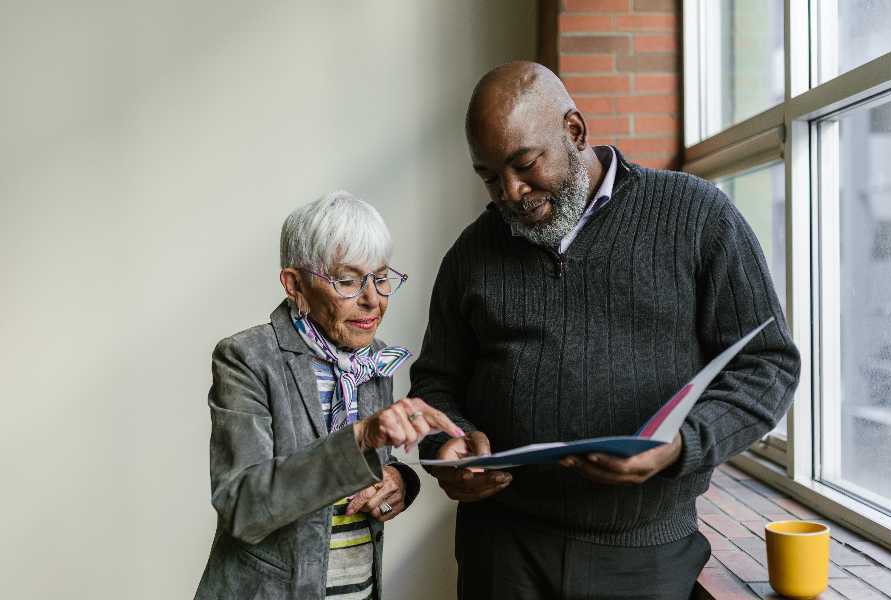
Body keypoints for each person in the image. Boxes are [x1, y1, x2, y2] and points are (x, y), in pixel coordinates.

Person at [411, 62, 801, 600]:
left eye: (524, 164)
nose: (511, 191)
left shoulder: (696, 216)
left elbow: (769, 365)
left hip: (644, 554)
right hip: (500, 551)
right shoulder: (472, 252)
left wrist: (682, 446)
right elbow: (434, 383)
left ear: (574, 130)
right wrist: (445, 442)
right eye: (489, 176)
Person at [195, 192, 464, 600]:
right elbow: (243, 507)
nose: (373, 299)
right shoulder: (248, 358)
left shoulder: (374, 360)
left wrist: (400, 482)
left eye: (381, 277)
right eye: (348, 280)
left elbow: (373, 470)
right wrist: (358, 439)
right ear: (295, 285)